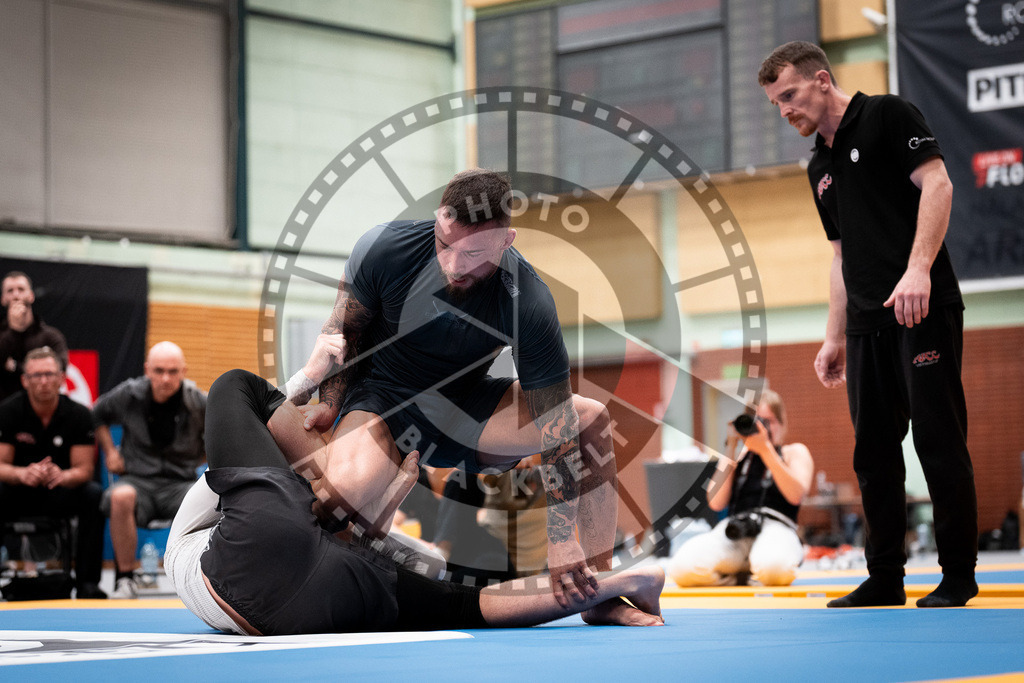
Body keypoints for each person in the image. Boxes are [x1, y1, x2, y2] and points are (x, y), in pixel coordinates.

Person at [292, 169, 630, 622]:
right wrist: (331, 402)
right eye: (445, 244)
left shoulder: (526, 300)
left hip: (464, 410)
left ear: (506, 240)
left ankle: (600, 595)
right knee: (343, 494)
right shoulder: (386, 249)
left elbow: (555, 422)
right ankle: (387, 525)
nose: (454, 265)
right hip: (381, 398)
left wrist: (561, 537)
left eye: (473, 253)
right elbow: (343, 330)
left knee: (590, 418)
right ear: (438, 219)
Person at [165, 360, 664, 636]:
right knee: (467, 605)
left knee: (237, 386)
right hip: (319, 585)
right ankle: (616, 581)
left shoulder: (244, 505)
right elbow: (324, 532)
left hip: (267, 584)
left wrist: (366, 507)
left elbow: (311, 532)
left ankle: (626, 580)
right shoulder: (274, 489)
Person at [759, 41, 978, 607]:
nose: (784, 111)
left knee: (936, 437)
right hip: (864, 325)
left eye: (789, 95)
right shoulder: (818, 166)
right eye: (775, 103)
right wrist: (834, 334)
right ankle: (885, 577)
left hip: (921, 306)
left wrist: (918, 271)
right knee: (873, 452)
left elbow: (939, 183)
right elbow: (840, 257)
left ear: (822, 80)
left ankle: (958, 574)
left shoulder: (887, 115)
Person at [92, 341, 207, 599]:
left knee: (214, 500)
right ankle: (125, 580)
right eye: (158, 371)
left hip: (180, 484)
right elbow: (97, 413)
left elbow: (220, 433)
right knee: (119, 496)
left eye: (173, 371)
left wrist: (200, 457)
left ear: (184, 371)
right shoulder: (129, 394)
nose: (165, 378)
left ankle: (203, 581)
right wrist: (110, 451)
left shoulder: (199, 402)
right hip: (137, 482)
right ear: (147, 370)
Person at [668, 390, 814, 587]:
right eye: (756, 422)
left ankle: (757, 572)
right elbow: (716, 502)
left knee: (775, 569)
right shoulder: (738, 458)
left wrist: (766, 450)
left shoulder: (794, 452)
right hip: (735, 530)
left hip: (777, 527)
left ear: (781, 423)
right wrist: (731, 447)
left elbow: (796, 495)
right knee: (682, 568)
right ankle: (742, 577)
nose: (761, 428)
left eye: (767, 421)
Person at [0, 346, 106, 599]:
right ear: (25, 380)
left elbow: (84, 469)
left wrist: (63, 476)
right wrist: (22, 474)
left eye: (50, 374)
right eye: (37, 376)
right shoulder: (8, 412)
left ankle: (87, 584)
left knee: (93, 495)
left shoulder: (80, 415)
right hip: (19, 491)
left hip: (59, 491)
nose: (44, 381)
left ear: (61, 377)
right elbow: (2, 465)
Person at [0, 272, 70, 403]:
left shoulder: (51, 336)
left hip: (41, 410)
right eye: (10, 291)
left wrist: (15, 366)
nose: (16, 295)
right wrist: (14, 331)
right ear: (3, 298)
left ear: (31, 296)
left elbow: (60, 370)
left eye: (21, 289)